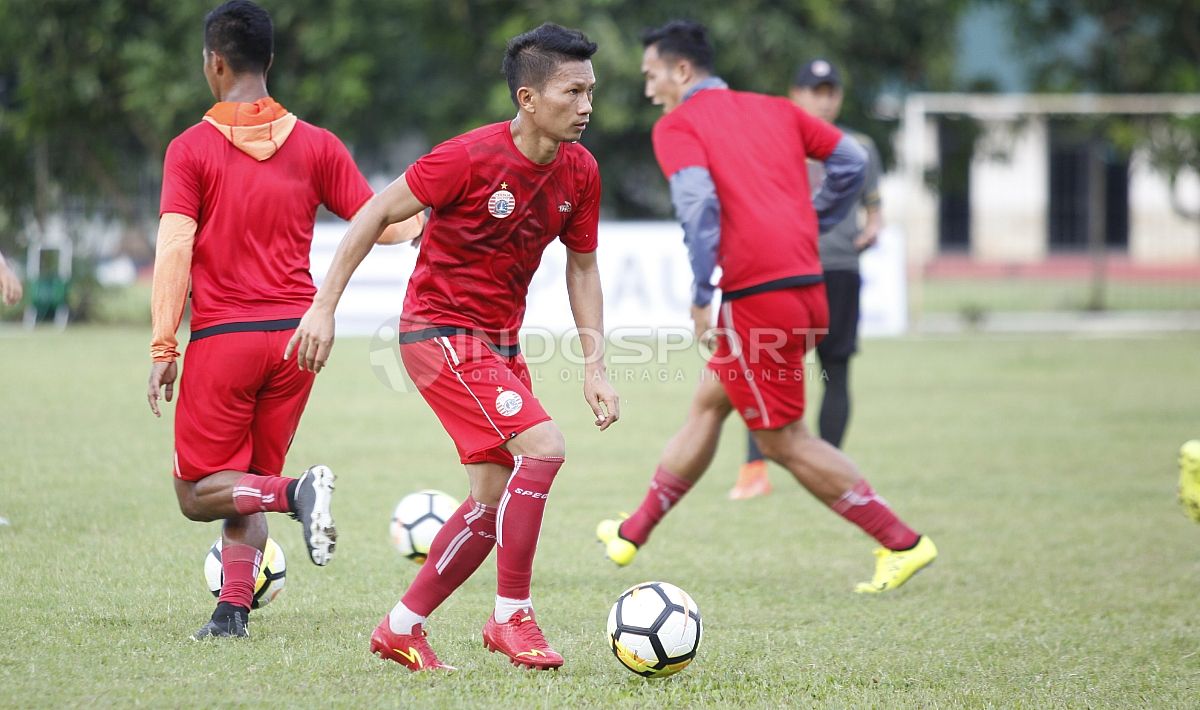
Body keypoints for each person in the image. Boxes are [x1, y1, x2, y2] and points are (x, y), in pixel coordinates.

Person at [286, 22, 619, 671]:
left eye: (590, 91)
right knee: (545, 449)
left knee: (490, 500)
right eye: (571, 91)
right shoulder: (467, 158)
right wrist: (323, 307)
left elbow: (583, 267)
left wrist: (596, 367)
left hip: (497, 344)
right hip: (437, 331)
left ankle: (400, 628)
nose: (585, 106)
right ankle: (511, 618)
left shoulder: (580, 172)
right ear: (528, 98)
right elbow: (376, 211)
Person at [597, 20, 936, 594]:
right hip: (805, 288)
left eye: (652, 76)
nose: (649, 89)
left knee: (782, 440)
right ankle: (632, 533)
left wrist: (702, 292)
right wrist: (816, 218)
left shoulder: (678, 125)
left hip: (760, 299)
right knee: (710, 401)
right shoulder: (776, 109)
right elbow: (850, 161)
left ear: (681, 71)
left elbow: (700, 205)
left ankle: (902, 542)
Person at [146, 0, 423, 640]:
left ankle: (298, 494)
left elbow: (174, 249)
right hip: (298, 342)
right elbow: (389, 222)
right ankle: (231, 613)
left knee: (198, 493)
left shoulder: (189, 150)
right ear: (269, 61)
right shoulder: (319, 146)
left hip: (225, 342)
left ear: (214, 63)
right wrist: (430, 219)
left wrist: (164, 344)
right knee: (248, 482)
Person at [728, 59, 884, 501]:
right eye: (815, 90)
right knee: (765, 371)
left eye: (831, 90)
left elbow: (875, 212)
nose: (824, 98)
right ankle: (753, 469)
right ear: (795, 94)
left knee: (836, 372)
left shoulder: (860, 146)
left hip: (838, 271)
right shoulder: (776, 142)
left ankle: (825, 469)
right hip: (781, 273)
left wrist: (872, 229)